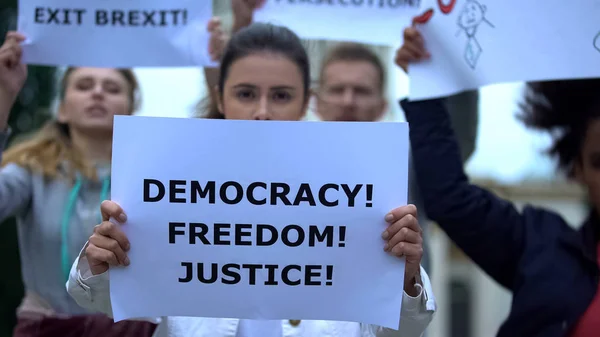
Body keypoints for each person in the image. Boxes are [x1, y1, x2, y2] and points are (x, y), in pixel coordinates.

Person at [67, 22, 437, 337]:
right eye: (246, 93)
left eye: (280, 95)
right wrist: (101, 262)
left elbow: (399, 328)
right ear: (221, 98)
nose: (262, 112)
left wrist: (403, 278)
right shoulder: (169, 184)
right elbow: (104, 298)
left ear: (305, 100)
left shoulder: (361, 191)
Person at [396, 22, 600, 337]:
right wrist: (429, 85)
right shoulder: (543, 249)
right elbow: (450, 198)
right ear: (578, 170)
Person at [0, 32, 157, 336]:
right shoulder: (30, 171)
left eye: (112, 88)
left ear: (130, 109)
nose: (98, 92)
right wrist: (3, 94)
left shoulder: (155, 178)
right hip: (46, 329)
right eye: (84, 86)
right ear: (62, 108)